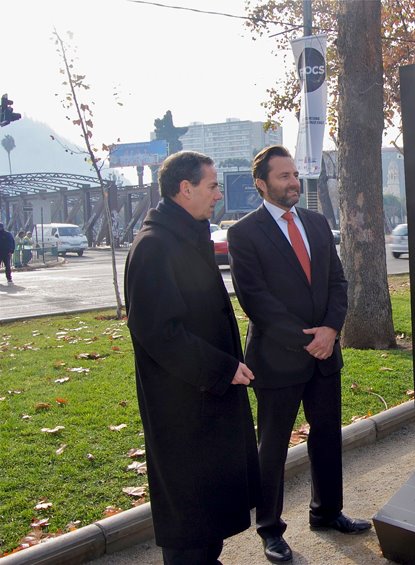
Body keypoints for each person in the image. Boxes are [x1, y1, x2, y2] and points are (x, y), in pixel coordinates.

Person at [227, 145, 370, 564]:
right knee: (271, 447)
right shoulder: (244, 232)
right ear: (261, 184)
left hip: (325, 355)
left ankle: (327, 512)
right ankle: (270, 530)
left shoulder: (317, 221)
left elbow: (338, 282)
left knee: (327, 437)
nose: (294, 182)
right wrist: (306, 338)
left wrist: (330, 330)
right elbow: (255, 299)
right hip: (277, 358)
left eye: (294, 175)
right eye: (284, 176)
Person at [124, 151, 260, 564]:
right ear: (186, 189)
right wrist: (222, 368)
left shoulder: (187, 234)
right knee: (189, 523)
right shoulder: (154, 246)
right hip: (182, 406)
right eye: (213, 186)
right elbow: (160, 334)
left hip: (205, 399)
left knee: (209, 515)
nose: (219, 194)